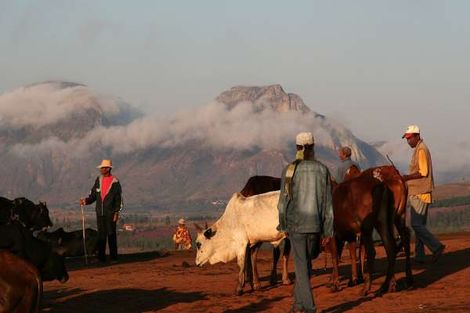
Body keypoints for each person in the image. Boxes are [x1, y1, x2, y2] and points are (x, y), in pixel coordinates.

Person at [277, 132, 334, 313]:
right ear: (313, 147)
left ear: (297, 148)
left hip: (296, 226)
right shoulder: (323, 169)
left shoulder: (290, 170)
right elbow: (328, 205)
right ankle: (298, 305)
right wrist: (327, 230)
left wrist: (283, 225)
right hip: (316, 226)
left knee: (301, 267)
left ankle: (309, 308)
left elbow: (282, 203)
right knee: (306, 265)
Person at [402, 125, 445, 264]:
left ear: (416, 136)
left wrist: (406, 178)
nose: (408, 141)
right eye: (406, 139)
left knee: (416, 225)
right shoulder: (420, 149)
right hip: (421, 192)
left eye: (409, 138)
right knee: (419, 225)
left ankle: (436, 246)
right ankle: (419, 256)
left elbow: (423, 172)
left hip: (419, 192)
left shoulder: (421, 150)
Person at [80, 160, 122, 263]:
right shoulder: (98, 180)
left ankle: (113, 258)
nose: (101, 169)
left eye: (103, 168)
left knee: (111, 234)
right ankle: (101, 257)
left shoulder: (115, 182)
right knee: (101, 235)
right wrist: (86, 201)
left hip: (110, 213)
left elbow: (118, 199)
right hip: (100, 212)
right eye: (101, 168)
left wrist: (116, 212)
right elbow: (93, 195)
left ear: (108, 169)